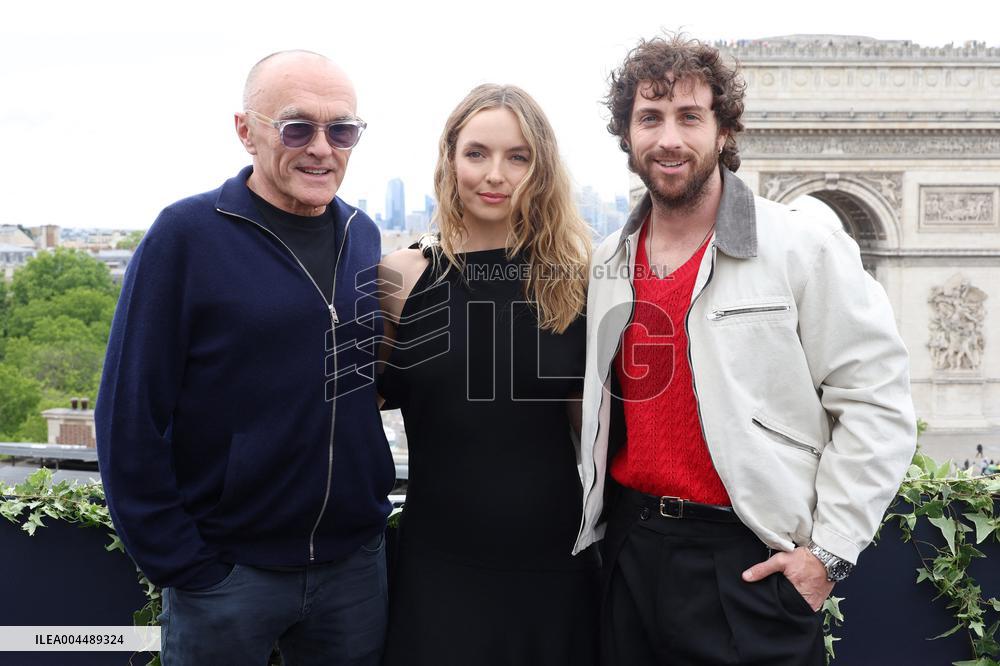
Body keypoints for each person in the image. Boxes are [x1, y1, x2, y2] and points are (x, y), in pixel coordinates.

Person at [576, 35, 917, 665]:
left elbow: (877, 402)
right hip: (630, 548)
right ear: (626, 135)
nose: (668, 139)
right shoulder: (608, 263)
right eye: (649, 118)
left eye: (689, 117)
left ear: (725, 131)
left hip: (747, 562)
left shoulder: (801, 248)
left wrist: (829, 554)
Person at [96, 51, 394, 665]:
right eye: (296, 127)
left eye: (341, 130)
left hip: (353, 570)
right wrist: (183, 564)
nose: (321, 147)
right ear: (245, 130)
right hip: (229, 577)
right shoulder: (187, 235)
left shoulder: (363, 235)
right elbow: (129, 412)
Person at [377, 84, 598, 666]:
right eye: (476, 153)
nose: (494, 174)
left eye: (518, 157)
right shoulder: (398, 280)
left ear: (541, 169)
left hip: (555, 565)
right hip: (435, 566)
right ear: (450, 159)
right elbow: (342, 417)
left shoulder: (576, 283)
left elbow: (597, 440)